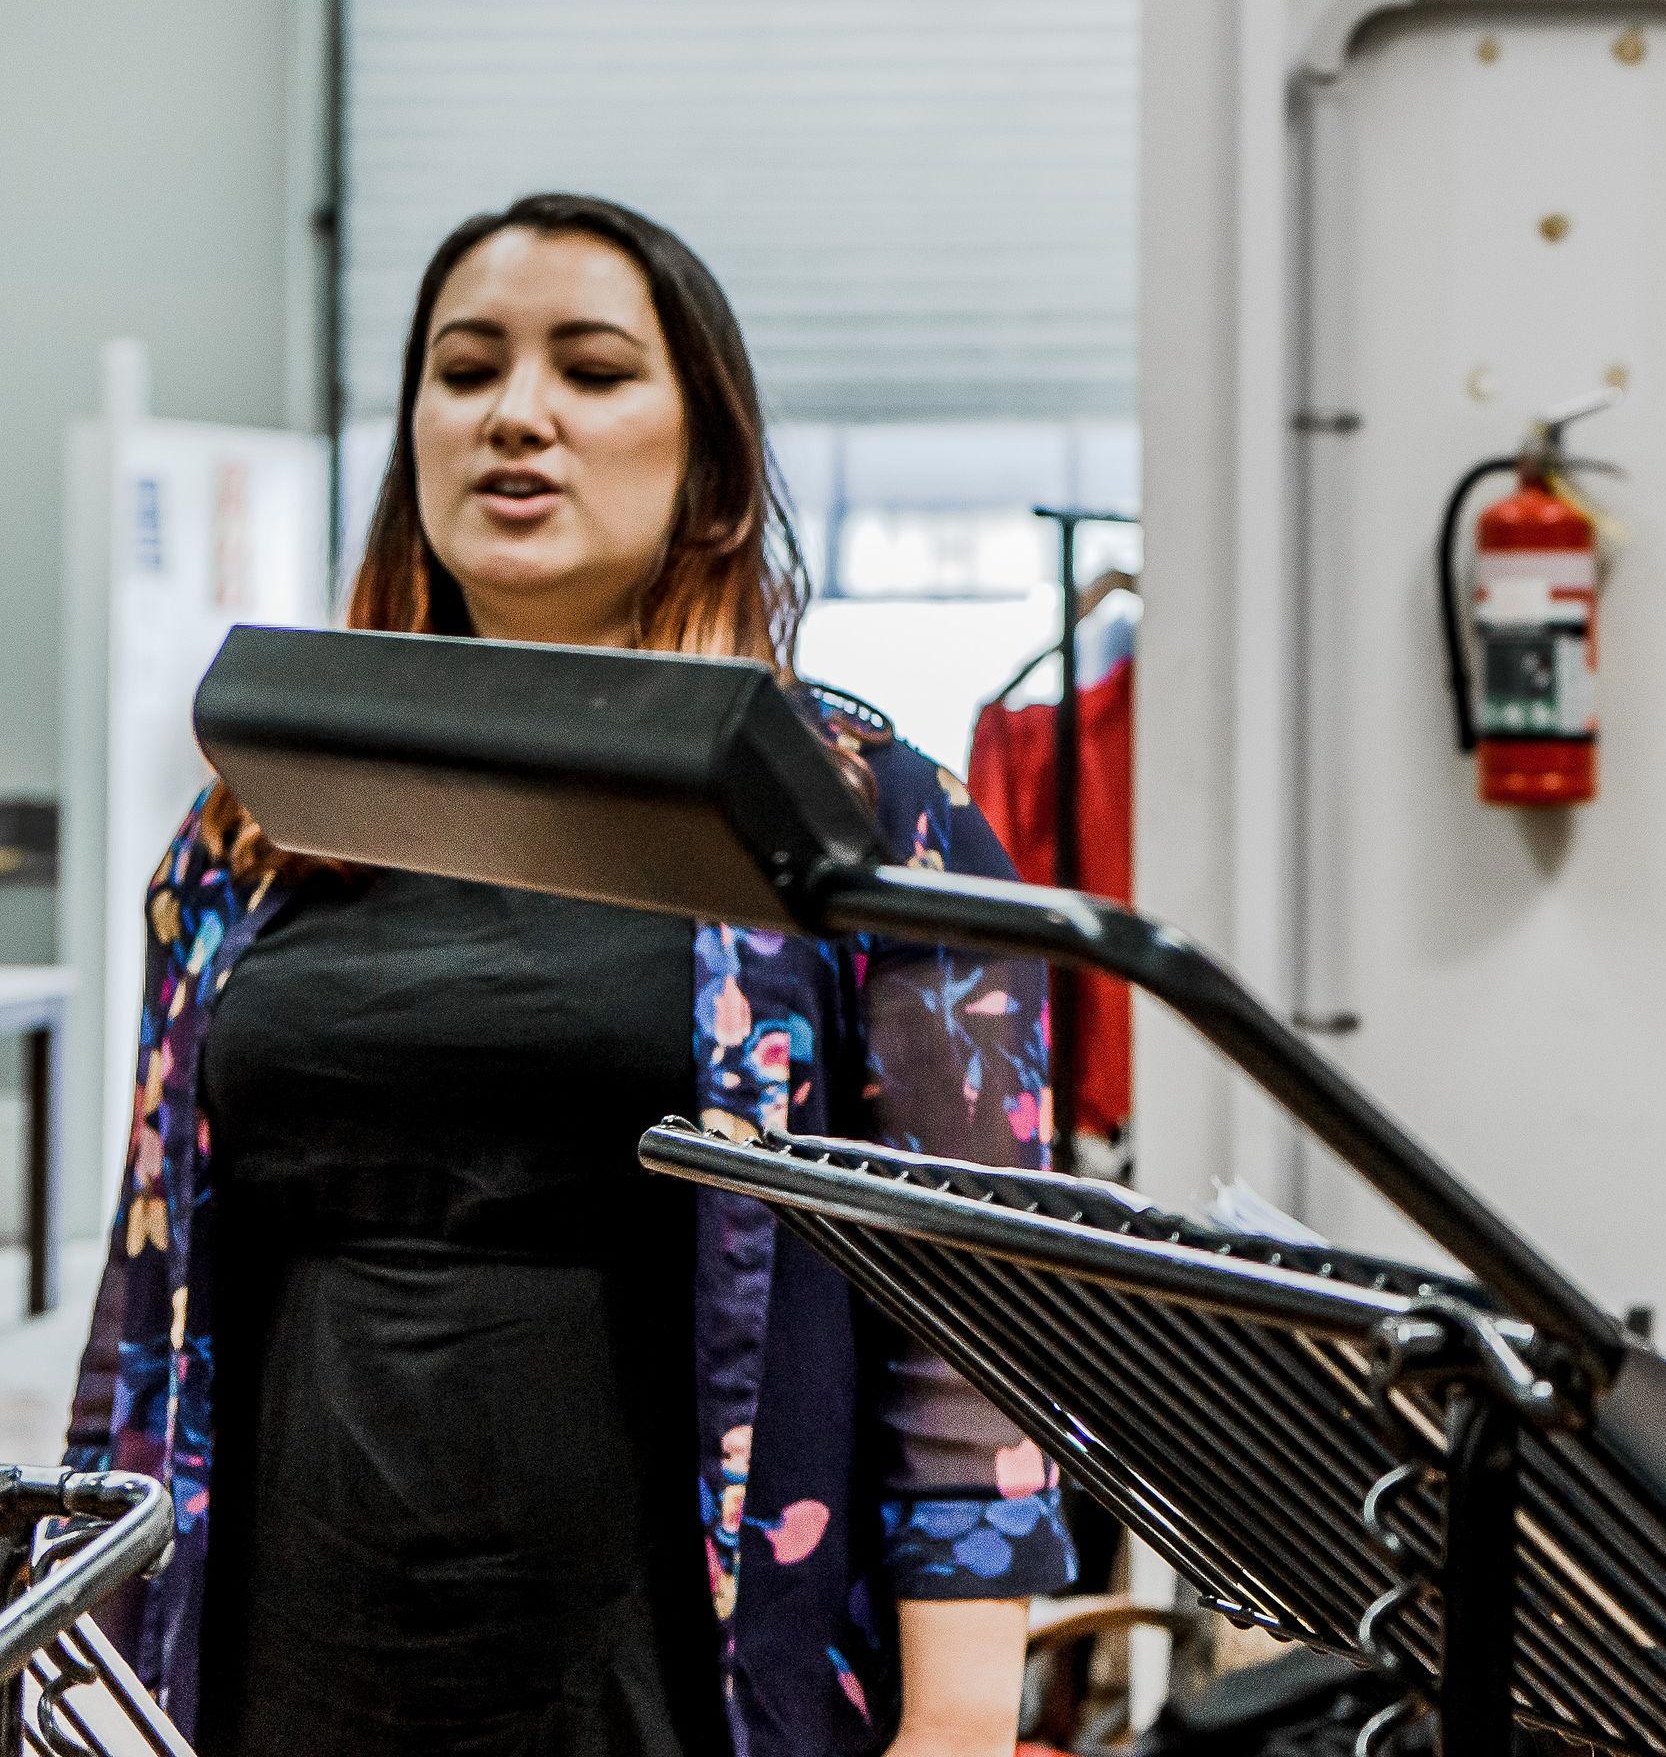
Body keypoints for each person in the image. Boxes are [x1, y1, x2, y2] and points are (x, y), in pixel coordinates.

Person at [68, 193, 1068, 1757]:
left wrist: (958, 1726)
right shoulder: (255, 830)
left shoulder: (859, 820)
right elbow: (146, 1302)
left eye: (590, 371)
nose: (516, 415)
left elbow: (977, 1320)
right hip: (284, 1657)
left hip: (682, 1677)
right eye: (467, 371)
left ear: (711, 460)